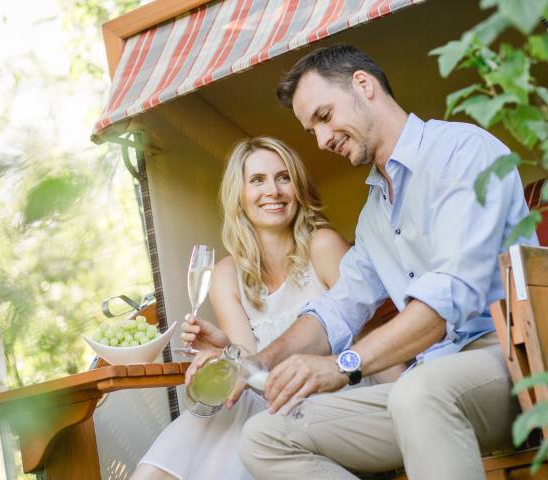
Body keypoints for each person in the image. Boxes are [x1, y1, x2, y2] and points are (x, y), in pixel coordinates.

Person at [237, 44, 537, 480]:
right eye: (311, 130)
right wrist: (256, 365)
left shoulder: (460, 152)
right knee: (264, 436)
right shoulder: (375, 215)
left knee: (417, 392)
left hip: (506, 361)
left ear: (364, 85)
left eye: (324, 117)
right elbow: (337, 309)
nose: (321, 141)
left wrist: (343, 366)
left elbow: (445, 303)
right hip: (425, 385)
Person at [131, 136, 390, 480]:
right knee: (213, 418)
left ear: (297, 187)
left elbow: (375, 337)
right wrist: (226, 350)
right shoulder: (226, 275)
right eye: (257, 180)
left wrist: (407, 406)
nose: (274, 191)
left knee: (241, 421)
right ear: (238, 195)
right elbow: (252, 375)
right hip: (271, 401)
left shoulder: (323, 246)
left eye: (283, 178)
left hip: (335, 397)